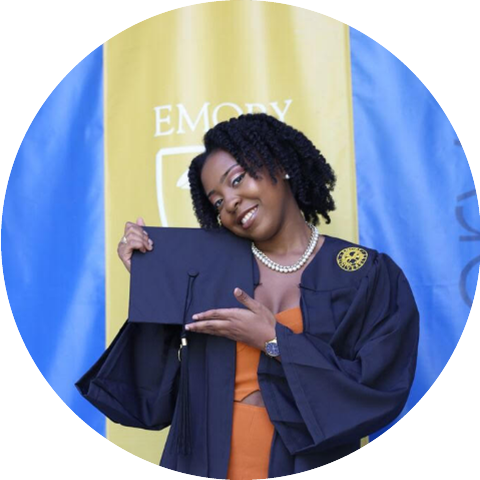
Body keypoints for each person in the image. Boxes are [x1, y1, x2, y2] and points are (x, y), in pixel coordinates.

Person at [94, 113, 419, 479]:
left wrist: (274, 341)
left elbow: (375, 389)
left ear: (280, 164)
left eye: (237, 179)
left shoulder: (362, 274)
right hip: (203, 467)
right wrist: (152, 282)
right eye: (216, 201)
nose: (230, 202)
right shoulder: (208, 273)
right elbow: (150, 398)